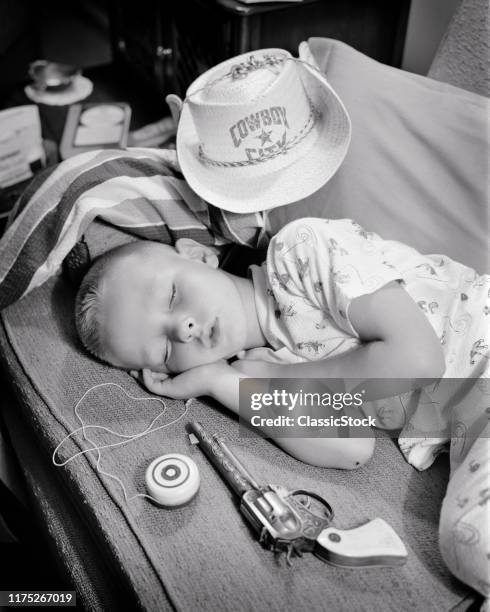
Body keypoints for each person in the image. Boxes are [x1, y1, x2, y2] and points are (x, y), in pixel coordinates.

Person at [78, 46, 490, 600]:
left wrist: (294, 383)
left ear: (198, 256)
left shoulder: (299, 254)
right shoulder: (267, 365)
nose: (182, 330)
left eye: (173, 296)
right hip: (472, 419)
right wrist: (223, 384)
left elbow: (419, 357)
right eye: (163, 351)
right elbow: (349, 447)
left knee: (470, 543)